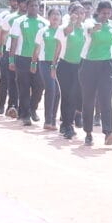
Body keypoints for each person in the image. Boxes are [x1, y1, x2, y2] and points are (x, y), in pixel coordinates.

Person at [82, 1, 112, 145]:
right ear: (98, 11)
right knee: (89, 100)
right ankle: (88, 132)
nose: (106, 16)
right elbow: (88, 30)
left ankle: (108, 132)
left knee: (106, 99)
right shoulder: (89, 22)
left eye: (108, 13)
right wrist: (94, 29)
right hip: (89, 64)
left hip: (107, 65)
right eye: (103, 13)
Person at [58, 0, 88, 139]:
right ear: (70, 14)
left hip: (80, 66)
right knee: (67, 96)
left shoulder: (86, 29)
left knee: (77, 96)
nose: (79, 15)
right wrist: (72, 21)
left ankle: (68, 122)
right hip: (66, 65)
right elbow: (67, 32)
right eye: (76, 13)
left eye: (82, 13)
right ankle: (67, 125)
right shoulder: (65, 27)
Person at [37, 7, 65, 135]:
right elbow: (37, 48)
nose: (55, 16)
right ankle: (47, 120)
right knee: (51, 89)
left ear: (61, 17)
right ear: (48, 17)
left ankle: (53, 120)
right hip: (45, 63)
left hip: (59, 64)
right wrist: (33, 62)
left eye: (58, 14)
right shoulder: (43, 31)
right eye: (53, 14)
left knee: (58, 92)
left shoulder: (63, 32)